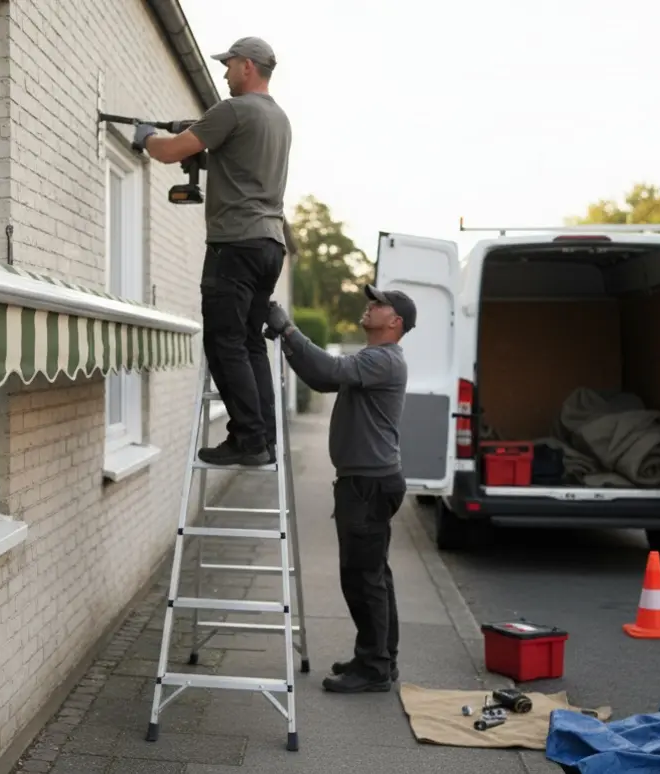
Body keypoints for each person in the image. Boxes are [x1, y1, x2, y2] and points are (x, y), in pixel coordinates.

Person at [132, 37, 293, 466]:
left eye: (228, 65)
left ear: (247, 66)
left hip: (235, 245)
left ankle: (247, 440)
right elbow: (235, 164)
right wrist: (199, 134)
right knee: (249, 342)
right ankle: (265, 438)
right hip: (269, 245)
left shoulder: (233, 111)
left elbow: (170, 152)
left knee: (224, 341)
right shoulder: (279, 119)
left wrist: (147, 137)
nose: (223, 74)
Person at [264, 286, 416, 693]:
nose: (370, 305)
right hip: (369, 481)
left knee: (362, 577)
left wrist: (289, 333)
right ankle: (380, 657)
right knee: (374, 575)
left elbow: (328, 373)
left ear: (395, 321)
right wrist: (291, 340)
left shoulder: (383, 359)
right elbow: (326, 375)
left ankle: (374, 668)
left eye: (379, 304)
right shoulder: (375, 359)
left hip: (367, 485)